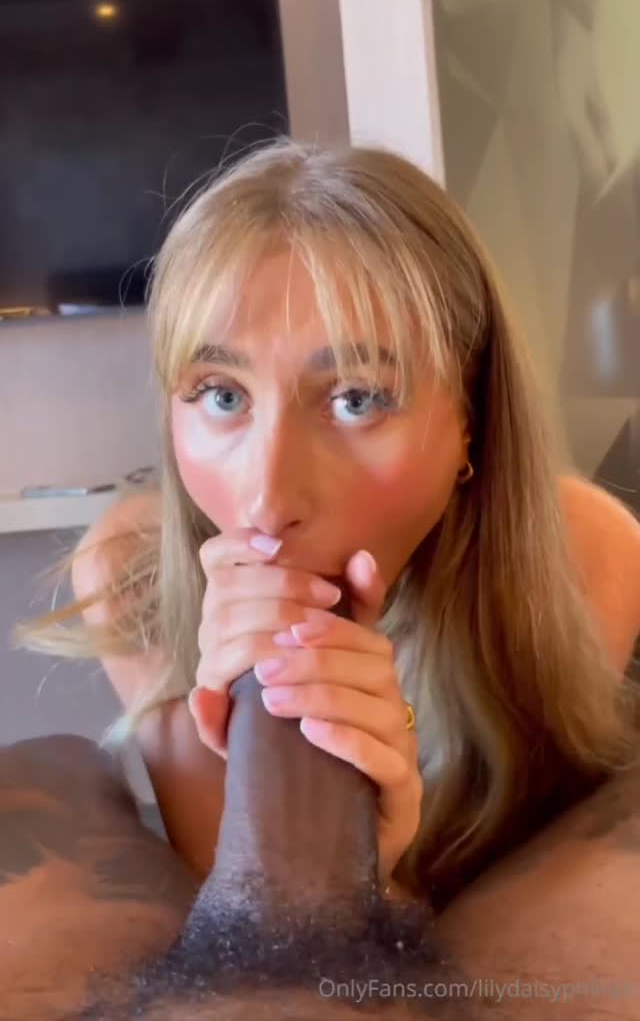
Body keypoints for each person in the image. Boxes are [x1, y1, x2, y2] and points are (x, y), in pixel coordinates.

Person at [16, 138, 640, 914]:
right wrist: (276, 774)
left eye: (356, 398)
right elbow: (261, 942)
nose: (266, 500)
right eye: (222, 394)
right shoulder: (135, 573)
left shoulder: (583, 552)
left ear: (471, 419)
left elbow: (530, 928)